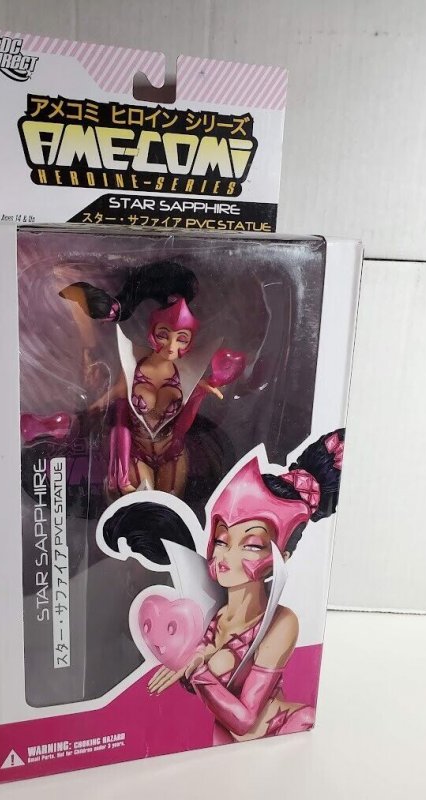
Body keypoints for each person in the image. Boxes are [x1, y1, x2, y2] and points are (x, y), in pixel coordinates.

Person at [102, 430, 344, 742]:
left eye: (252, 545)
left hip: (284, 731)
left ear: (280, 557)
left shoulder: (281, 623)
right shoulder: (218, 618)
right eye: (221, 540)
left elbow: (244, 719)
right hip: (223, 745)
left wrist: (196, 670)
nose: (227, 555)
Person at [59, 261, 245, 497]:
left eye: (182, 339)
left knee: (169, 506)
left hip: (172, 451)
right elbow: (113, 396)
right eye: (164, 335)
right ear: (152, 332)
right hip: (136, 450)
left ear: (190, 341)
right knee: (138, 501)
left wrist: (210, 386)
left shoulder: (188, 375)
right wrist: (81, 416)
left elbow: (194, 408)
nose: (171, 346)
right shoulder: (132, 368)